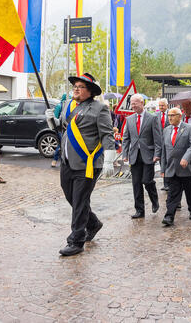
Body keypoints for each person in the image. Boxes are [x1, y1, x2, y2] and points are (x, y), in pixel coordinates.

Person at [46, 73, 115, 256]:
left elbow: (107, 134)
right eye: (75, 86)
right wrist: (52, 121)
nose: (76, 89)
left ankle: (76, 240)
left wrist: (109, 159)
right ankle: (93, 223)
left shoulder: (99, 108)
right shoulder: (70, 105)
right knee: (73, 198)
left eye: (80, 86)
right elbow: (64, 127)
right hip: (68, 162)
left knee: (79, 201)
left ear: (90, 91)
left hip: (88, 163)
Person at [122, 94, 162, 218]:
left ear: (142, 103)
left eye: (135, 103)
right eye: (132, 104)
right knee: (136, 184)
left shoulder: (152, 118)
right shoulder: (129, 119)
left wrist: (157, 154)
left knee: (147, 180)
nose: (133, 106)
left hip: (148, 155)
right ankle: (139, 210)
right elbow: (126, 138)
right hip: (134, 155)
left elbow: (157, 138)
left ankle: (154, 200)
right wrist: (125, 154)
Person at [160, 107, 191, 226]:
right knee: (172, 193)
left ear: (180, 116)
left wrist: (186, 158)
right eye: (169, 115)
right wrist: (163, 168)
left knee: (190, 191)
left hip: (186, 167)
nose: (170, 117)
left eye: (173, 115)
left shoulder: (190, 128)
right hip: (172, 168)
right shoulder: (166, 130)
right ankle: (169, 216)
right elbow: (164, 151)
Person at [155, 98, 170, 191]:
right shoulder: (155, 115)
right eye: (160, 105)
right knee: (162, 163)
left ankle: (170, 183)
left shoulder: (171, 114)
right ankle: (165, 184)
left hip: (169, 143)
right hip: (159, 143)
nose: (161, 107)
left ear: (167, 106)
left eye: (163, 105)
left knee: (169, 162)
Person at [51, 93, 68, 168]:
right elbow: (55, 119)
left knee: (65, 145)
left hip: (67, 129)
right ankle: (55, 160)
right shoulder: (59, 106)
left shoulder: (68, 106)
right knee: (61, 144)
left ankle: (63, 162)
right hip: (60, 129)